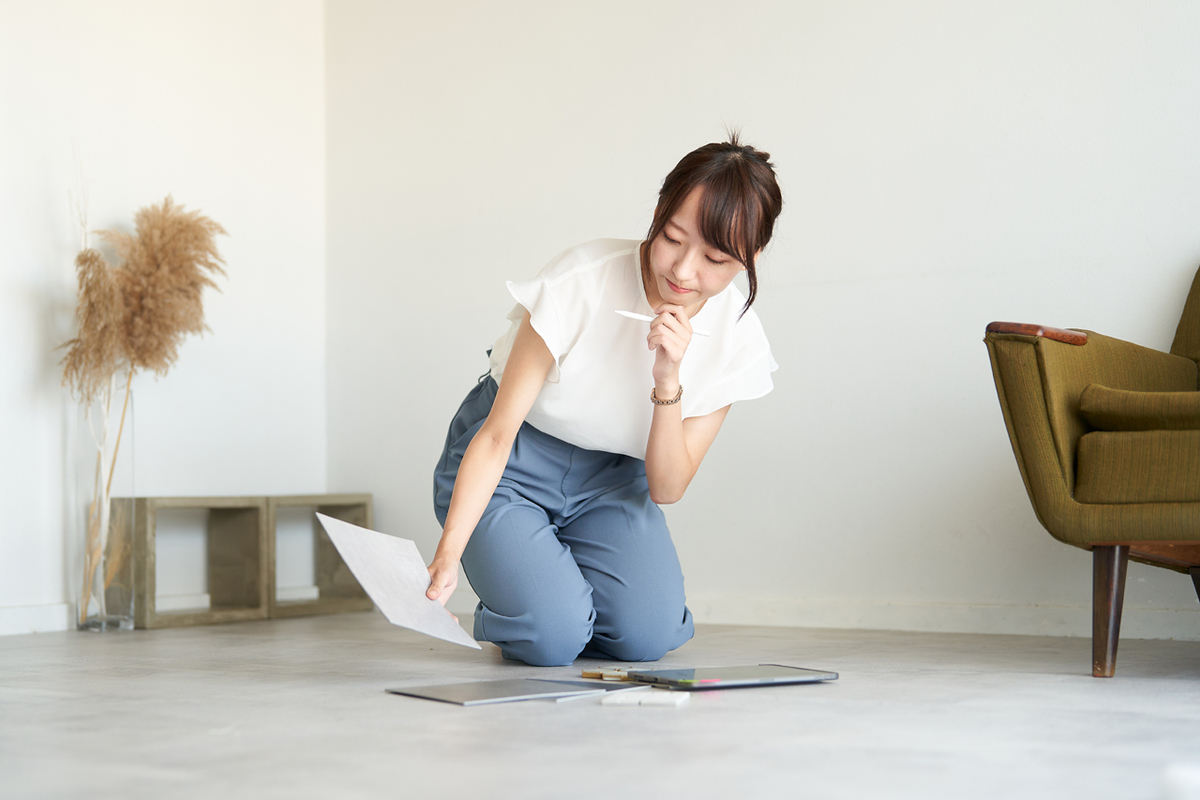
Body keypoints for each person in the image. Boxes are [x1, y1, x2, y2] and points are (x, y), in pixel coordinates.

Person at [428, 135, 783, 667]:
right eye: (672, 238)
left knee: (646, 637)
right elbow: (497, 435)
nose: (683, 271)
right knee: (551, 638)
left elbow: (666, 488)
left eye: (714, 257)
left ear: (749, 258)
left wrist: (668, 379)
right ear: (658, 212)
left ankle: (555, 601)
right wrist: (449, 555)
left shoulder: (738, 338)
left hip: (614, 481)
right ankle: (541, 610)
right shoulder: (580, 280)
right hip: (511, 463)